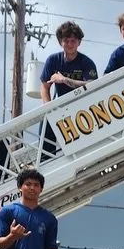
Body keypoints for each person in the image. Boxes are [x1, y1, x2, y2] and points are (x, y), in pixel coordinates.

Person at [39, 21, 98, 155]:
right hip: (60, 106)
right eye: (66, 40)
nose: (70, 44)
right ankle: (45, 159)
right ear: (60, 42)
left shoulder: (86, 62)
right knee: (46, 122)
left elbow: (91, 85)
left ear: (79, 42)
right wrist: (48, 107)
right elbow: (44, 86)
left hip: (82, 109)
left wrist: (65, 80)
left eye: (73, 41)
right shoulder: (53, 60)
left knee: (80, 147)